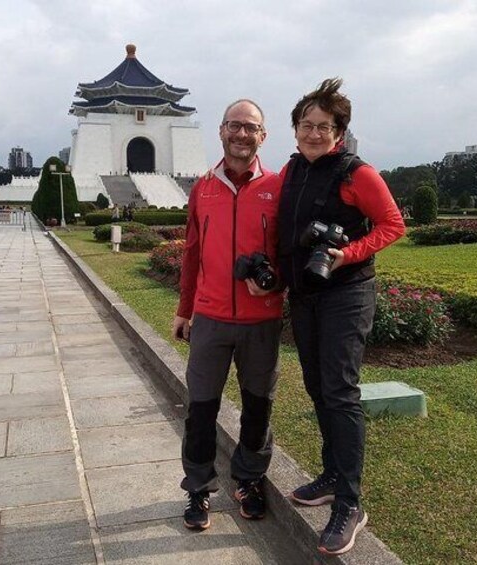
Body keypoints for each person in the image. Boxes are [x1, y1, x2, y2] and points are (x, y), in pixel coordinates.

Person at [277, 78, 405, 556]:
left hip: (346, 294)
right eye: (306, 124)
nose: (314, 133)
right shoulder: (291, 171)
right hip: (305, 295)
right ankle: (331, 475)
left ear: (339, 131)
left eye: (324, 126)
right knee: (317, 386)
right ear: (294, 129)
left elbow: (394, 224)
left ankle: (350, 502)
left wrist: (348, 253)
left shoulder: (357, 174)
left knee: (341, 390)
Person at [172, 99, 283, 531]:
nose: (241, 134)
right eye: (234, 126)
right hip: (212, 319)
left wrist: (277, 282)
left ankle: (250, 479)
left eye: (250, 128)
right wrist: (185, 309)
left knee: (259, 407)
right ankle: (198, 489)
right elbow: (192, 253)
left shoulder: (278, 187)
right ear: (221, 131)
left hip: (261, 320)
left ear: (263, 136)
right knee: (201, 408)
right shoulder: (203, 188)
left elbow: (288, 254)